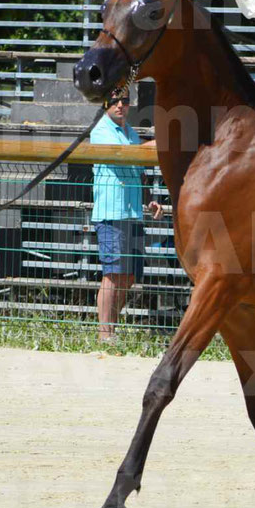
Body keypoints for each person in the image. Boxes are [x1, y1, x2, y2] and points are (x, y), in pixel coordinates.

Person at [91, 85, 163, 342]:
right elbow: (129, 156)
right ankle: (104, 334)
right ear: (105, 105)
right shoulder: (101, 131)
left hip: (132, 213)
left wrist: (149, 200)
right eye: (114, 101)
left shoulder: (128, 131)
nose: (120, 105)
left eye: (124, 100)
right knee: (112, 275)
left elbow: (139, 169)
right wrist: (165, 140)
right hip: (111, 213)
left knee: (129, 275)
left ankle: (111, 327)